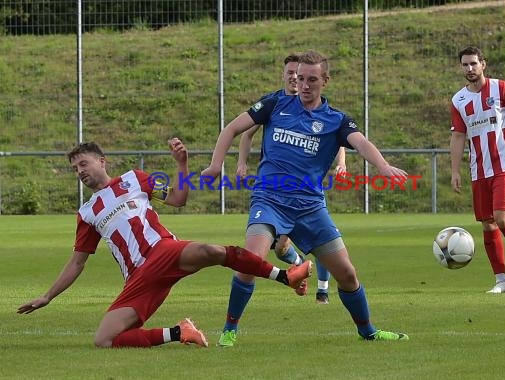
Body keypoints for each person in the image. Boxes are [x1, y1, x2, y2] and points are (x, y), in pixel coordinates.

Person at [17, 138, 312, 348]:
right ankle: (180, 332)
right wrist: (48, 296)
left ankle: (286, 275)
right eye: (75, 169)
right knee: (104, 340)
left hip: (164, 251)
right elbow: (77, 262)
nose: (80, 171)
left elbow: (178, 199)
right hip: (139, 278)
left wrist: (182, 164)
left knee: (212, 251)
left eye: (83, 163)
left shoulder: (135, 179)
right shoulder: (87, 213)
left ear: (102, 161)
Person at [202, 50, 410, 346]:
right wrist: (215, 165)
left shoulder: (336, 120)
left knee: (348, 275)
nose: (305, 85)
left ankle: (368, 331)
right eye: (300, 79)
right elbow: (233, 129)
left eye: (312, 79)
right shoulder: (275, 104)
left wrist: (383, 166)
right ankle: (229, 329)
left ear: (326, 80)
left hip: (310, 208)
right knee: (249, 262)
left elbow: (361, 142)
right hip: (269, 200)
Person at [236, 53, 344, 304]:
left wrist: (342, 162)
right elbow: (244, 133)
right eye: (292, 74)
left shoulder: (315, 108)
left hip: (305, 189)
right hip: (274, 192)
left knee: (321, 238)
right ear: (285, 76)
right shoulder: (273, 104)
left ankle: (323, 290)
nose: (297, 79)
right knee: (280, 248)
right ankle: (298, 268)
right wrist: (242, 161)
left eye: (303, 75)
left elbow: (336, 135)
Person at [449, 46, 505, 294]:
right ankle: (501, 280)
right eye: (465, 65)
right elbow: (458, 136)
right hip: (479, 170)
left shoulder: (501, 88)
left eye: (473, 64)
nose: (469, 69)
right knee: (488, 225)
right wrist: (455, 170)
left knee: (502, 218)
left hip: (504, 165)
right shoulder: (458, 100)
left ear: (483, 64)